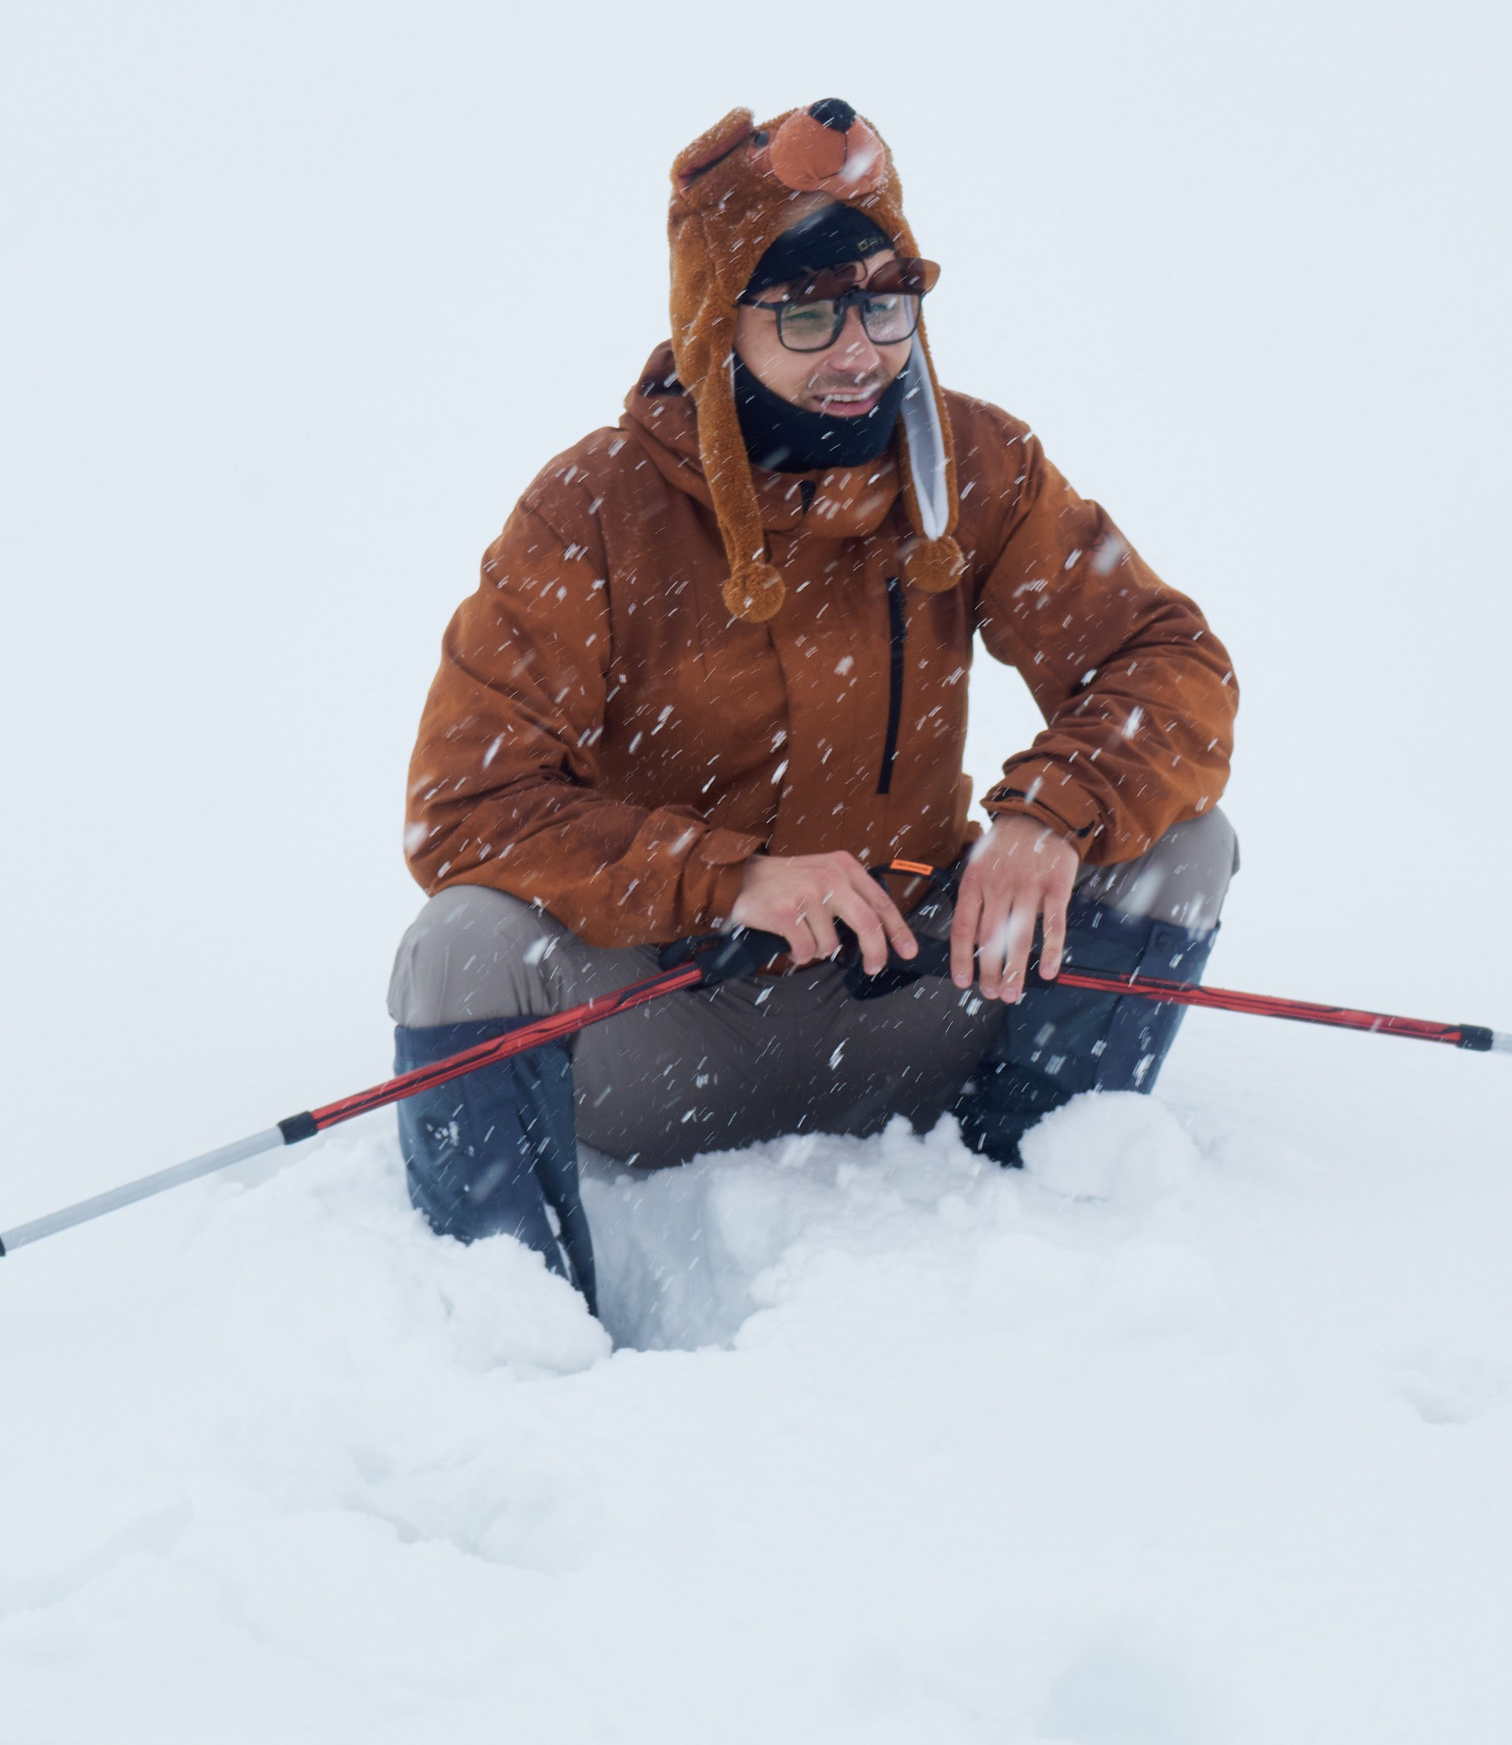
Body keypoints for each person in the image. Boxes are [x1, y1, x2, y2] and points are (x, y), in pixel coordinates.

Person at [390, 99, 1239, 1312]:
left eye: (886, 306)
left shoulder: (980, 467)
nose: (859, 352)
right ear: (712, 324)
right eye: (805, 315)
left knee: (1181, 846)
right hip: (669, 1033)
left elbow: (1166, 662)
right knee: (460, 946)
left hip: (918, 1006)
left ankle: (1033, 1215)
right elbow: (463, 807)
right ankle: (507, 1332)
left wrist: (1048, 815)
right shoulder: (593, 509)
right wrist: (727, 878)